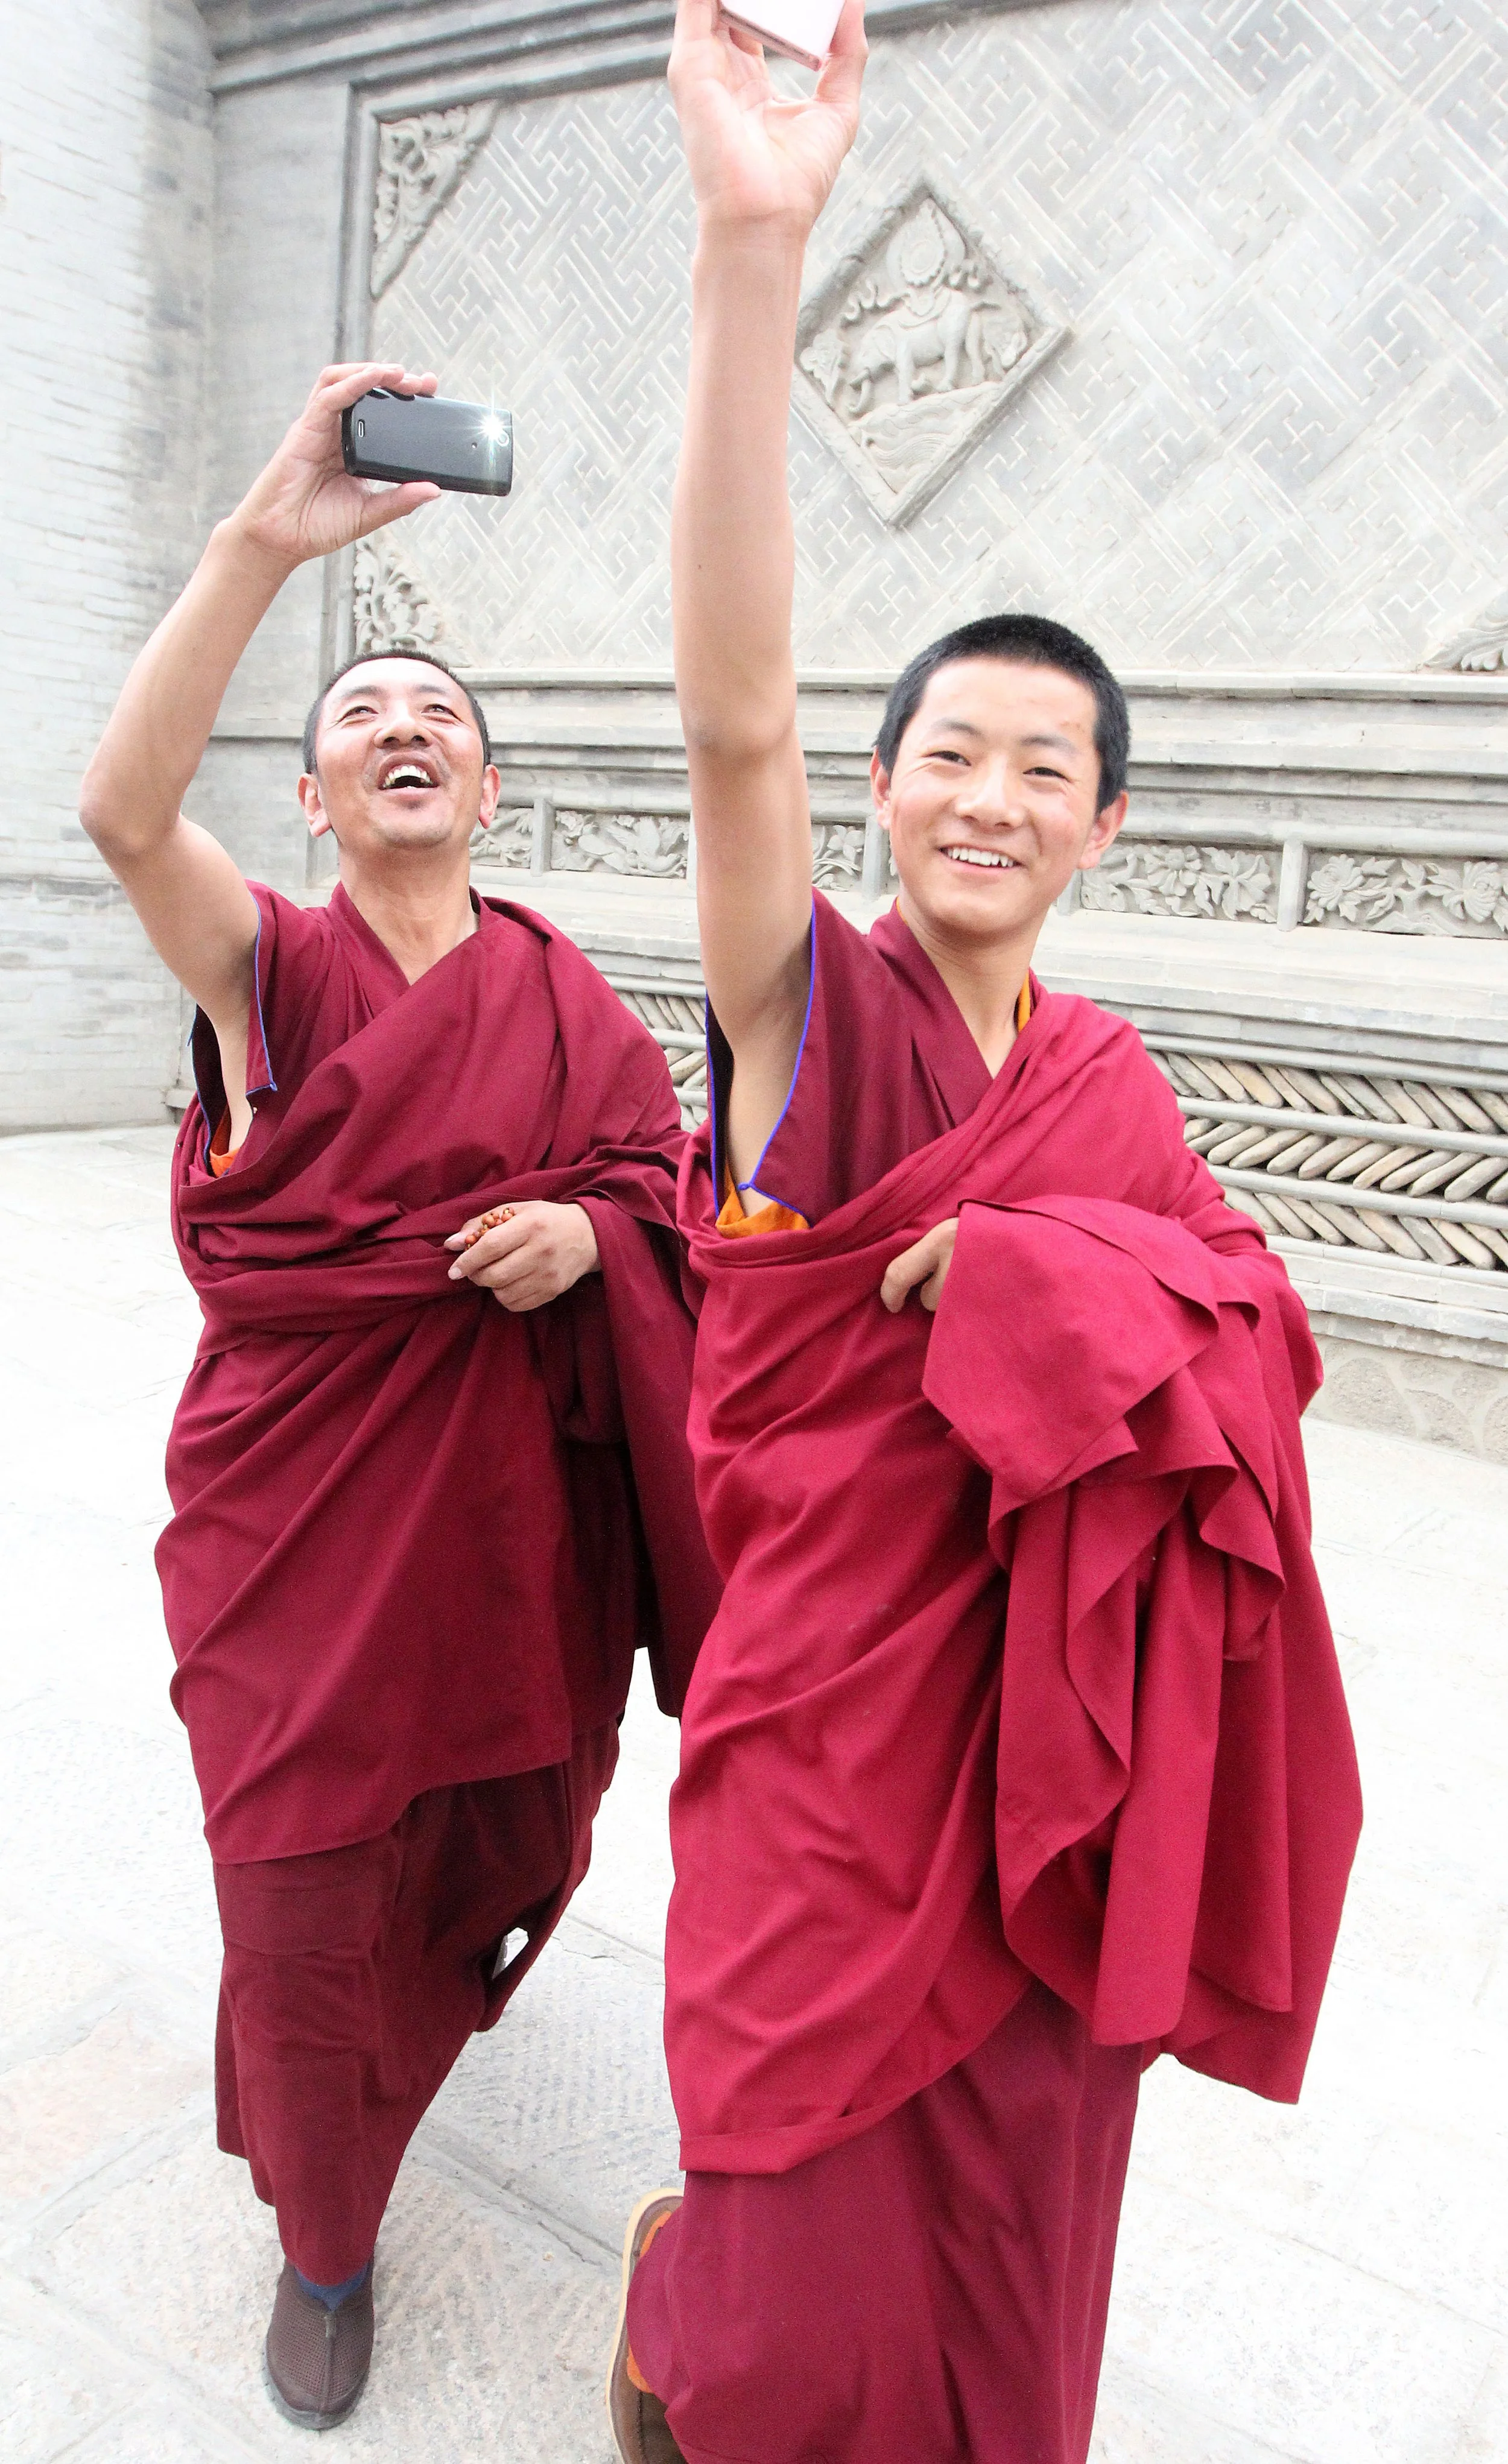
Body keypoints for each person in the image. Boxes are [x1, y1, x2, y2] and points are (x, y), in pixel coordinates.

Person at [606, 7, 1363, 2460]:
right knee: (801, 2279)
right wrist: (753, 245)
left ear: (1101, 825)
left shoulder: (1109, 1094)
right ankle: (686, 2302)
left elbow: (1256, 1350)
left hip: (1050, 1761)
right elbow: (731, 715)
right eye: (948, 752)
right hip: (831, 1748)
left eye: (1047, 767)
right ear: (889, 787)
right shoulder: (806, 1022)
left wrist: (1055, 1277)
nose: (990, 793)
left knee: (1013, 2238)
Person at [79, 360, 719, 2432]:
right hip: (296, 1551)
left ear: (489, 784)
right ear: (314, 801)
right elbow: (115, 808)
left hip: (503, 1558)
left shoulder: (570, 1006)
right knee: (291, 1898)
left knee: (465, 1852)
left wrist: (599, 1246)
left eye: (439, 711)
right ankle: (325, 2245)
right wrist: (267, 541)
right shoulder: (266, 970)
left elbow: (667, 1198)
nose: (403, 728)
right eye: (362, 719)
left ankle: (395, 2073)